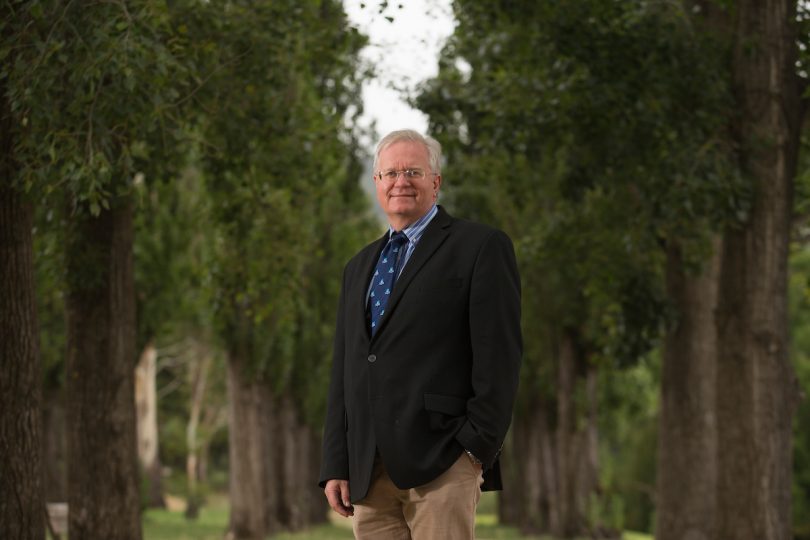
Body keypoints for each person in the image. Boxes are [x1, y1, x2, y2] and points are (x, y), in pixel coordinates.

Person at [319, 129, 522, 539]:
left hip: (442, 462)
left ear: (436, 181)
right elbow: (346, 371)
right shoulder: (358, 267)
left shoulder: (480, 247)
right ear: (377, 183)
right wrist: (336, 464)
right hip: (368, 471)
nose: (401, 181)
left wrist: (474, 449)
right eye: (390, 173)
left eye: (414, 171)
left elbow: (499, 358)